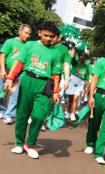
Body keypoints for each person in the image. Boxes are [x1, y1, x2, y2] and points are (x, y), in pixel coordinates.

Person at [3, 21, 62, 159]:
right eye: (46, 35)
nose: (48, 39)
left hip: (44, 85)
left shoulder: (56, 52)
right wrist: (10, 78)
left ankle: (30, 144)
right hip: (27, 80)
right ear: (39, 33)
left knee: (39, 116)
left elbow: (56, 75)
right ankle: (19, 143)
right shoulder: (30, 45)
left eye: (51, 36)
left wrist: (56, 92)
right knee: (22, 114)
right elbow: (19, 63)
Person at [0, 24, 32, 124]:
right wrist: (2, 69)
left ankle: (8, 115)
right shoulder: (10, 42)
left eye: (29, 34)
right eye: (26, 33)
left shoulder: (29, 46)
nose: (28, 36)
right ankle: (1, 110)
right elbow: (3, 56)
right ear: (20, 32)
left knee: (15, 95)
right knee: (2, 92)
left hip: (20, 74)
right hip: (6, 71)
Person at [65, 52, 90, 121]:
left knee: (76, 98)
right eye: (81, 55)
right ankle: (67, 112)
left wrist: (86, 87)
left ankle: (73, 113)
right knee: (70, 98)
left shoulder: (87, 67)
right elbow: (72, 58)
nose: (83, 57)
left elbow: (87, 78)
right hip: (72, 80)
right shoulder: (75, 62)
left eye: (84, 56)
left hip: (80, 83)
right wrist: (74, 50)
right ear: (79, 56)